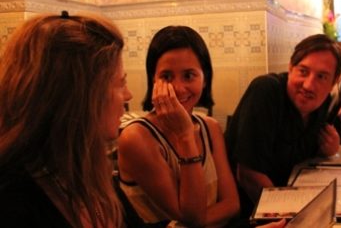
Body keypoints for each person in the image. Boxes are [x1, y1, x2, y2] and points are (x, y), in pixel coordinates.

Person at [0, 12, 135, 226]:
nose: (128, 96)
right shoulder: (11, 199)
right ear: (81, 97)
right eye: (120, 83)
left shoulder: (88, 171)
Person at [117, 26, 239, 227]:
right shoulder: (137, 138)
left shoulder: (211, 127)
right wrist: (185, 135)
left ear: (205, 78)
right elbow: (192, 217)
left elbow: (232, 204)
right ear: (153, 80)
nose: (178, 88)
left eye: (189, 75)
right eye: (166, 77)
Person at [224, 34, 341, 218]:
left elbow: (309, 152)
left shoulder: (323, 105)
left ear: (334, 82)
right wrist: (292, 219)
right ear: (290, 68)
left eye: (322, 77)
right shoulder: (266, 91)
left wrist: (330, 149)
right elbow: (248, 176)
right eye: (303, 71)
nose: (309, 85)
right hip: (248, 213)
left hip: (295, 199)